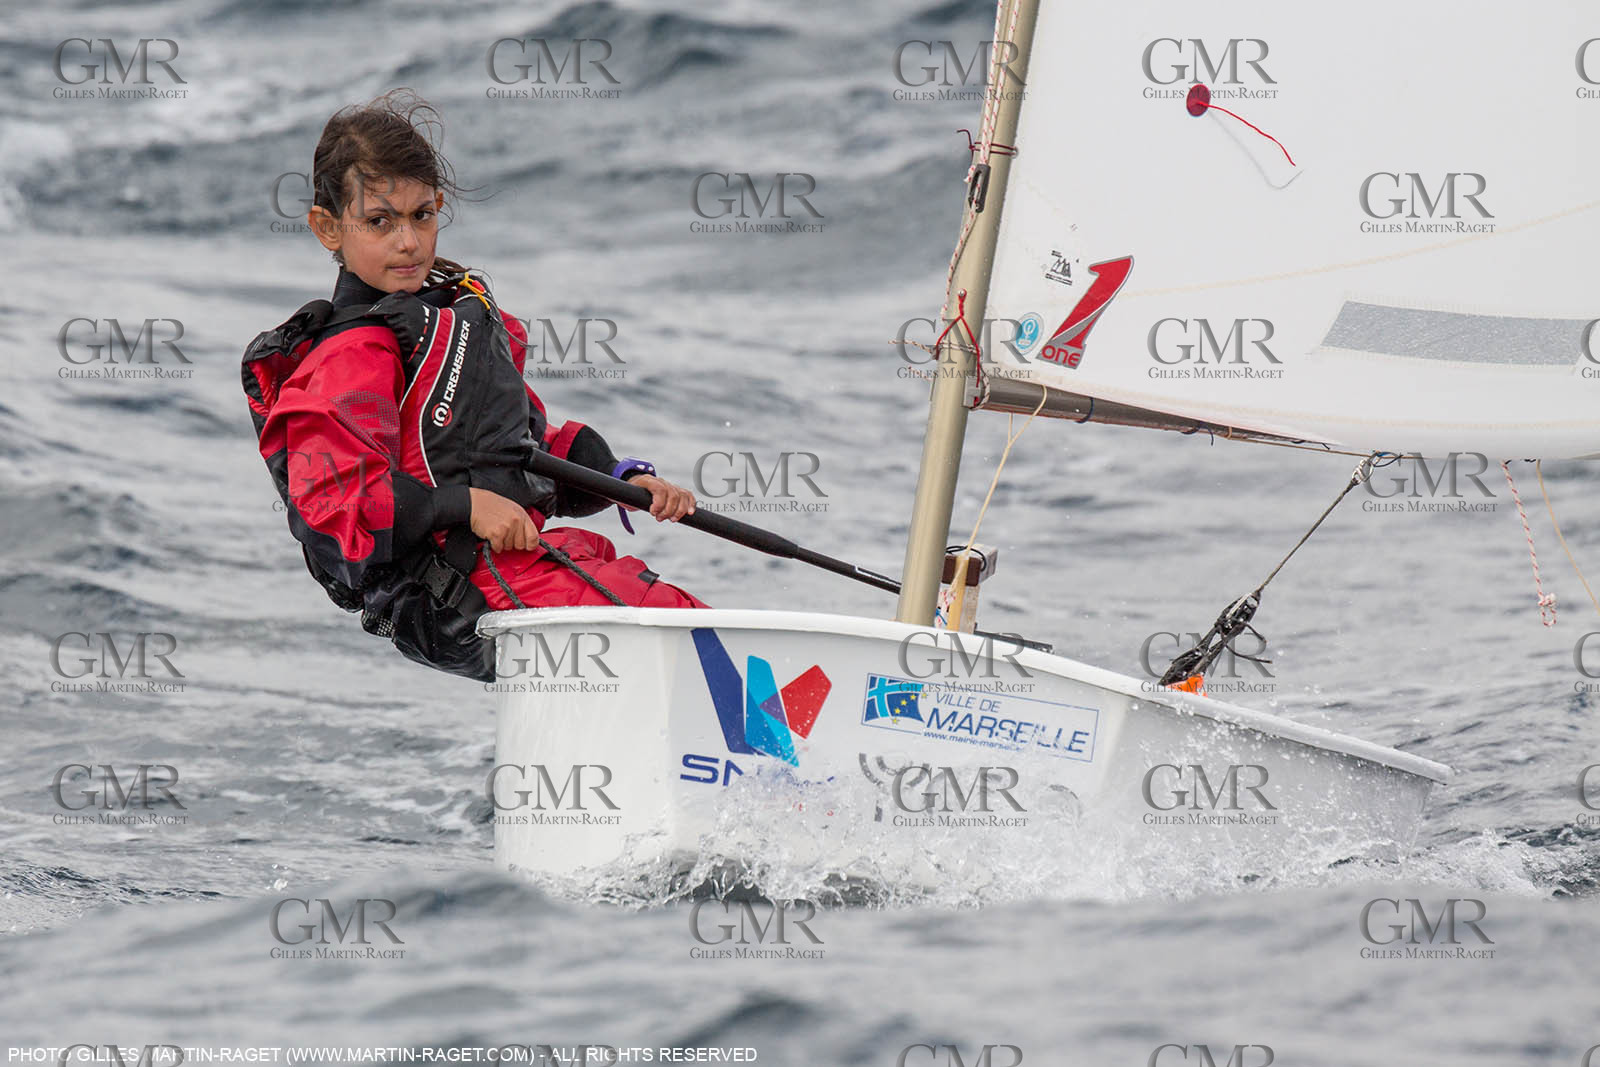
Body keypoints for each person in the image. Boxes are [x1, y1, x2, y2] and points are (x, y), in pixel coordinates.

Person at [242, 90, 706, 682]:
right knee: (666, 634)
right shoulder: (349, 358)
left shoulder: (451, 323)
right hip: (453, 592)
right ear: (328, 227)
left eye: (422, 215)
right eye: (379, 222)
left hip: (514, 565)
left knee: (659, 601)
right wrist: (466, 506)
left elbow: (520, 444)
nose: (408, 241)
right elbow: (336, 504)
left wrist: (620, 479)